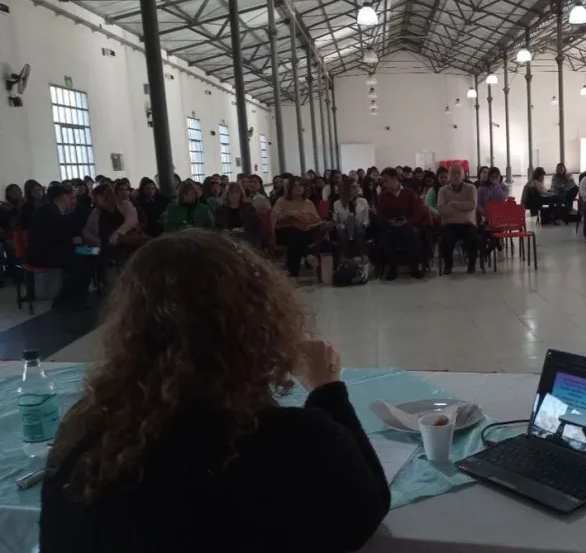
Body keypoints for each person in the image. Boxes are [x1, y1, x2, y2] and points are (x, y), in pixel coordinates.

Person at [39, 229, 390, 552]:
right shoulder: (291, 441)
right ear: (259, 322)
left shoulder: (87, 434)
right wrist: (327, 389)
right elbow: (366, 508)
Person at [25, 185, 94, 312]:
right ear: (63, 197)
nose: (72, 200)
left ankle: (79, 297)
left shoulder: (57, 211)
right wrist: (72, 240)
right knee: (81, 264)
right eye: (70, 197)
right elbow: (52, 238)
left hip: (61, 250)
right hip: (45, 254)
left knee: (93, 254)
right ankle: (66, 300)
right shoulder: (49, 212)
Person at [376, 168, 424, 280]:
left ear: (395, 179)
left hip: (408, 225)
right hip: (391, 227)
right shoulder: (383, 196)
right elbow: (380, 216)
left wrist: (407, 221)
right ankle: (392, 269)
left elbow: (418, 214)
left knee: (413, 234)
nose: (385, 184)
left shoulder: (409, 193)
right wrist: (390, 222)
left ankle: (415, 268)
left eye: (387, 180)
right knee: (387, 237)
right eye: (383, 181)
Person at [271, 177, 320, 277]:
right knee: (294, 233)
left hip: (304, 232)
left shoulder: (308, 203)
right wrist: (289, 214)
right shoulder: (282, 201)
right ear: (290, 188)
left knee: (296, 239)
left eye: (300, 185)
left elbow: (317, 220)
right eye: (295, 186)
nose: (298, 188)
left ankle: (293, 273)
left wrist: (308, 224)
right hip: (284, 232)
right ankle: (308, 255)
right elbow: (274, 217)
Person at [437, 164, 481, 274]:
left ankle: (471, 264)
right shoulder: (443, 190)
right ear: (449, 176)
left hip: (468, 223)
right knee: (446, 240)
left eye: (458, 173)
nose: (456, 176)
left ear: (463, 175)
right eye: (453, 173)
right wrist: (462, 208)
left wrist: (452, 203)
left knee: (473, 238)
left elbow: (472, 206)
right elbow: (441, 209)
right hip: (449, 224)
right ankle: (448, 265)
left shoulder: (471, 188)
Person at [82, 184, 143, 257]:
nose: (94, 201)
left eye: (96, 198)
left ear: (104, 195)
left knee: (80, 251)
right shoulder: (98, 211)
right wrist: (98, 241)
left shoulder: (123, 205)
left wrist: (115, 236)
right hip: (104, 247)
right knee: (79, 250)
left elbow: (130, 222)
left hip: (120, 247)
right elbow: (86, 231)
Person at [332, 176, 370, 262]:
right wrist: (344, 223)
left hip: (360, 226)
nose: (356, 189)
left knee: (358, 228)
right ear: (346, 188)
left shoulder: (363, 201)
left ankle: (363, 256)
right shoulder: (337, 203)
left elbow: (367, 219)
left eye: (357, 186)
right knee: (342, 231)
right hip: (344, 228)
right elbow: (337, 221)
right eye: (353, 187)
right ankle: (343, 258)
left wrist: (363, 224)